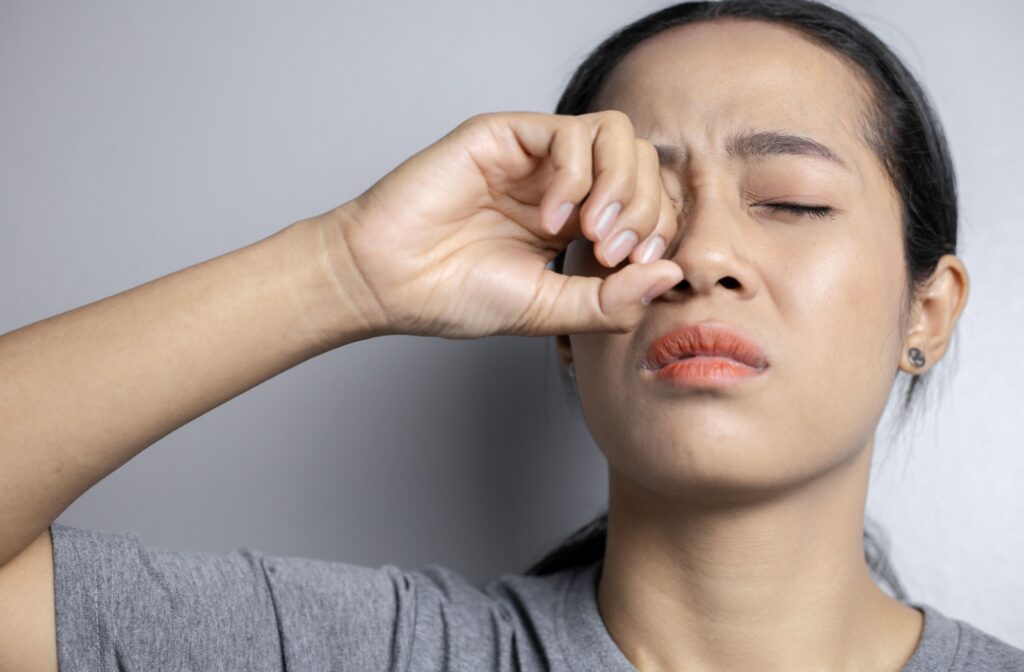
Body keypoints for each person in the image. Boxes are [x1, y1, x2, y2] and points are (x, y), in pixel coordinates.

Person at [0, 0, 1021, 669]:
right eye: (644, 216)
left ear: (923, 312)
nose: (702, 253)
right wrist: (342, 271)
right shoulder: (375, 653)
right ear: (565, 327)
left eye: (790, 201)